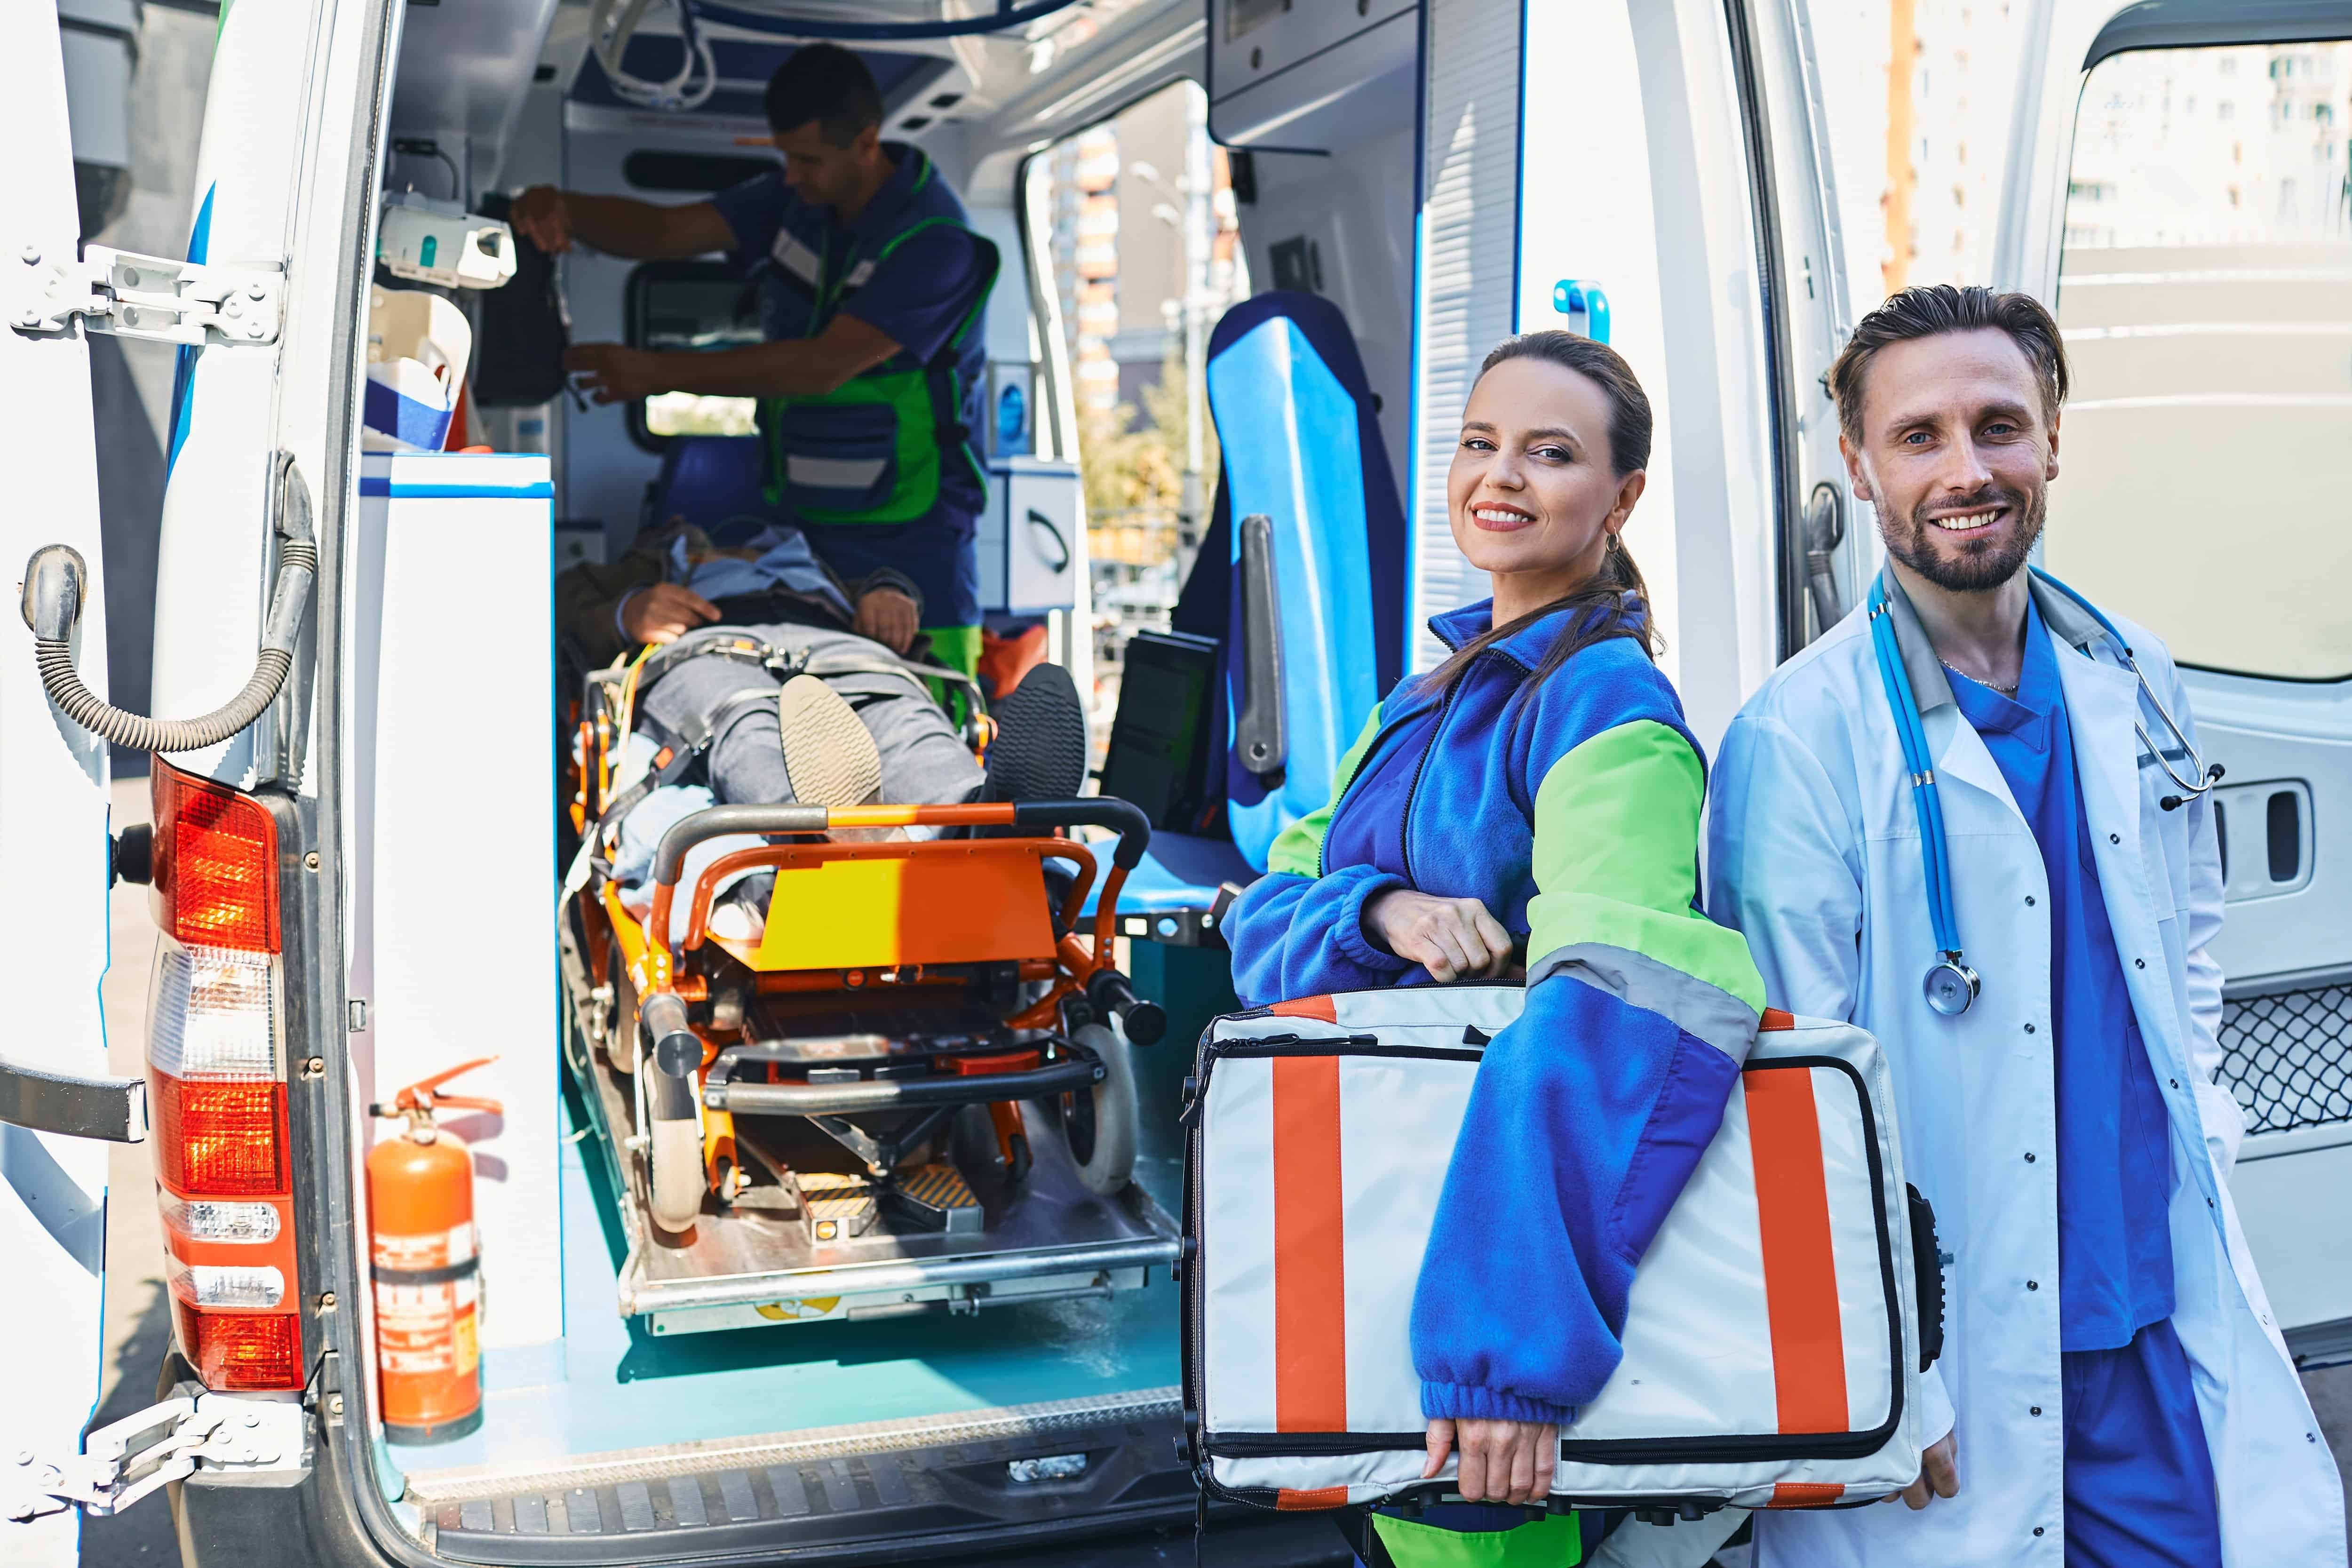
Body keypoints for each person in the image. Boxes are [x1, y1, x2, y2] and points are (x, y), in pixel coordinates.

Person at [1707, 285, 2344, 1567]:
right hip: (1955, 1361)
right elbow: (1790, 1096)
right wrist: (1893, 1377)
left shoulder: (2132, 676)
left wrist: (2204, 1117)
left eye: (1999, 424)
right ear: (1861, 466)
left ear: (2053, 437)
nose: (1967, 468)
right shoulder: (1799, 740)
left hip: (2152, 1325)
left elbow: (2193, 939)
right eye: (1921, 435)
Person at [1223, 332, 1767, 1568]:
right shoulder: (1418, 699)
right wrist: (1379, 914)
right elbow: (1267, 919)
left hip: (1500, 1292)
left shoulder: (1606, 705)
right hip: (1387, 1242)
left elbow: (1624, 1010)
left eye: (1551, 452)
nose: (1499, 475)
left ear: (1622, 497)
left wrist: (1511, 1353)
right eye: (1480, 441)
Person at [513, 43, 997, 676]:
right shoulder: (797, 204)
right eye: (784, 156)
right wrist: (565, 209)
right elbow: (663, 232)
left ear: (867, 141)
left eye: (807, 159)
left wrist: (656, 374)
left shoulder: (937, 245)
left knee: (924, 730)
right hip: (803, 547)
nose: (791, 174)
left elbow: (821, 367)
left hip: (915, 558)